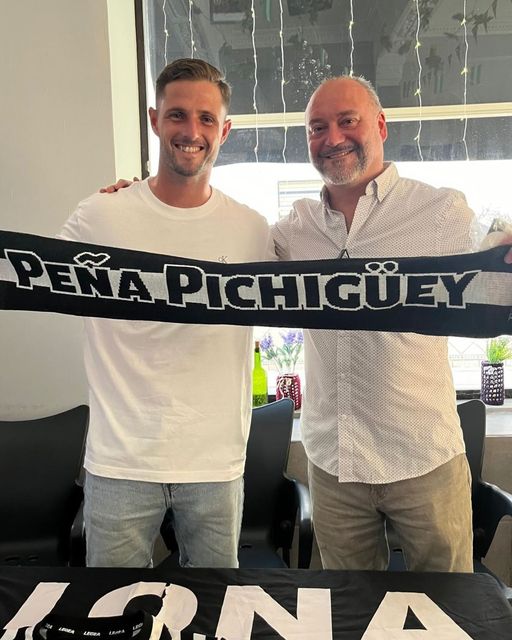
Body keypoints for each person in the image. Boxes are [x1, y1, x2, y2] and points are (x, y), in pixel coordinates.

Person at [59, 58, 272, 568]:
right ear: (155, 120)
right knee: (111, 604)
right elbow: (35, 279)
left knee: (215, 605)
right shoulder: (100, 215)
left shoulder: (253, 230)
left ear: (224, 130)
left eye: (206, 118)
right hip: (120, 462)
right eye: (177, 115)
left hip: (215, 465)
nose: (191, 131)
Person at [272, 75, 477, 572]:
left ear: (381, 126)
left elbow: (495, 264)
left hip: (423, 456)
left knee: (449, 603)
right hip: (334, 463)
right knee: (349, 607)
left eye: (348, 121)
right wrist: (140, 202)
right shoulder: (294, 230)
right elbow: (217, 265)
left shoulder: (440, 213)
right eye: (317, 128)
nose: (332, 137)